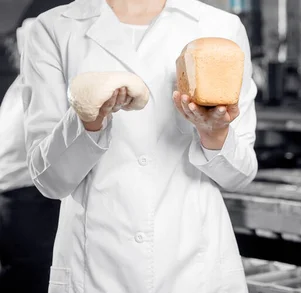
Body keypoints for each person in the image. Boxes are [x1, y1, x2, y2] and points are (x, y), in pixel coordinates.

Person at [21, 0, 258, 292]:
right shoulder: (53, 28)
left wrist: (215, 134)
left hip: (196, 267)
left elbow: (241, 174)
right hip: (94, 267)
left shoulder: (221, 28)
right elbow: (48, 180)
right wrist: (87, 122)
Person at [0, 18, 61, 293]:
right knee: (33, 274)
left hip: (14, 196)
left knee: (25, 273)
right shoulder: (32, 86)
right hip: (25, 196)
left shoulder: (19, 86)